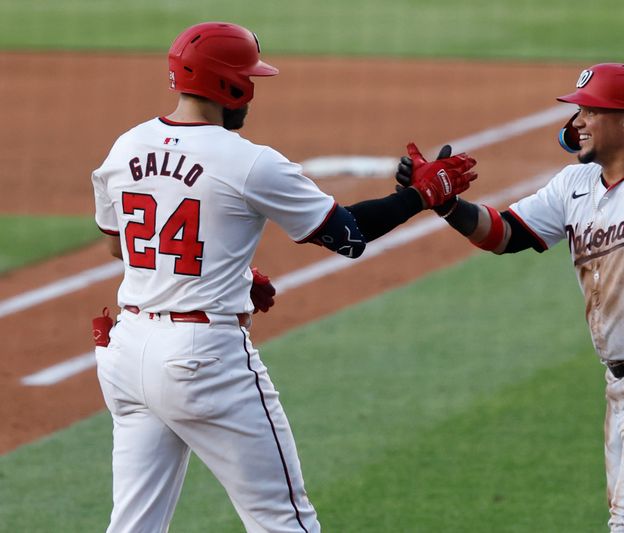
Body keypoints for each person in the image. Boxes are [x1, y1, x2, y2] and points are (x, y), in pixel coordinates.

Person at [90, 21, 476, 533]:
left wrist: (227, 271)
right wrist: (420, 196)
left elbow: (122, 245)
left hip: (126, 352)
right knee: (282, 521)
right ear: (231, 85)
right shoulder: (249, 162)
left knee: (133, 525)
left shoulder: (126, 146)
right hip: (202, 360)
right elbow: (349, 236)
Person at [397, 63, 624, 532]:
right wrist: (447, 206)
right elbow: (505, 234)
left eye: (590, 111)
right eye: (577, 111)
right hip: (622, 386)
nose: (576, 121)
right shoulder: (573, 184)